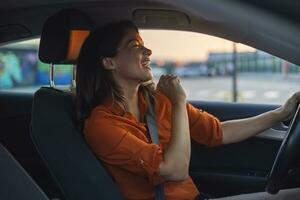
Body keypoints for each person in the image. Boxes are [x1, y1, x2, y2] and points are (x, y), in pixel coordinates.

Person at [75, 20, 300, 200]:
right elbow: (175, 170)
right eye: (135, 45)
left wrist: (280, 114)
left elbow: (218, 132)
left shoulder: (157, 100)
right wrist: (179, 102)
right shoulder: (102, 125)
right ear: (109, 62)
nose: (148, 50)